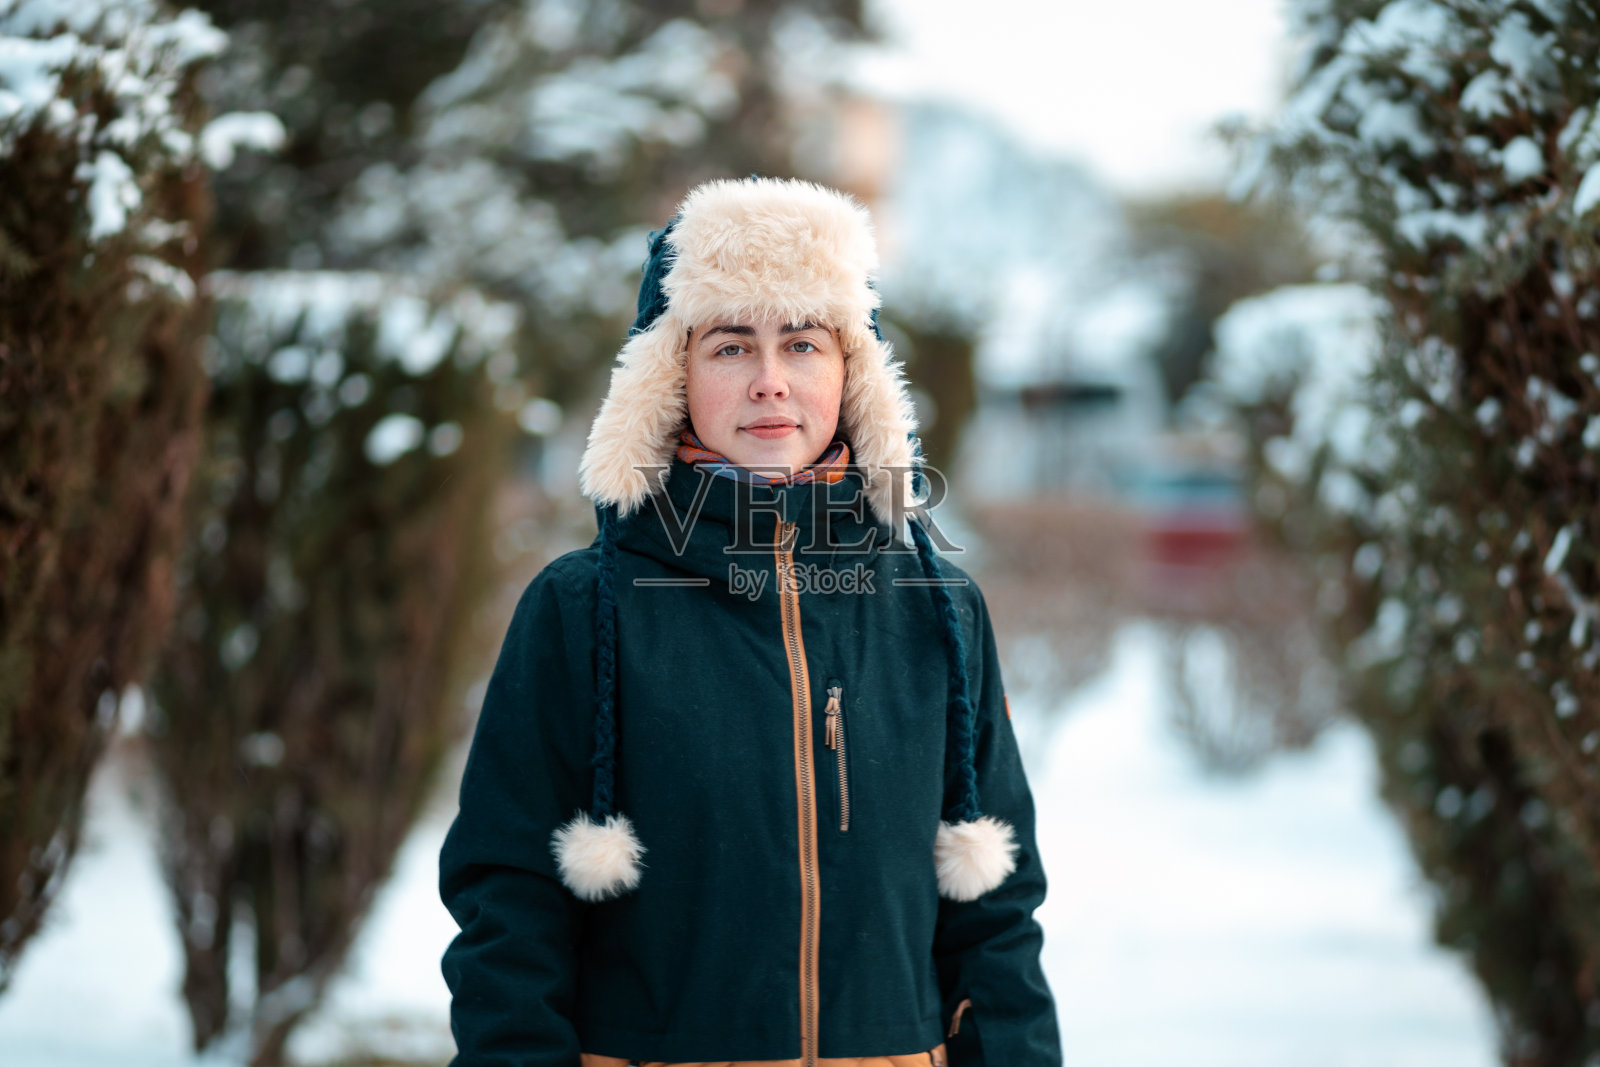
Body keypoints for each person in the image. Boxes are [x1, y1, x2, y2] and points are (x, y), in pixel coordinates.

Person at [438, 176, 1061, 1067]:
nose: (770, 382)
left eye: (802, 342)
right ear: (671, 377)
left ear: (852, 374)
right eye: (731, 346)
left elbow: (996, 913)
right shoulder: (584, 610)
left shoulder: (939, 611)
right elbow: (509, 902)